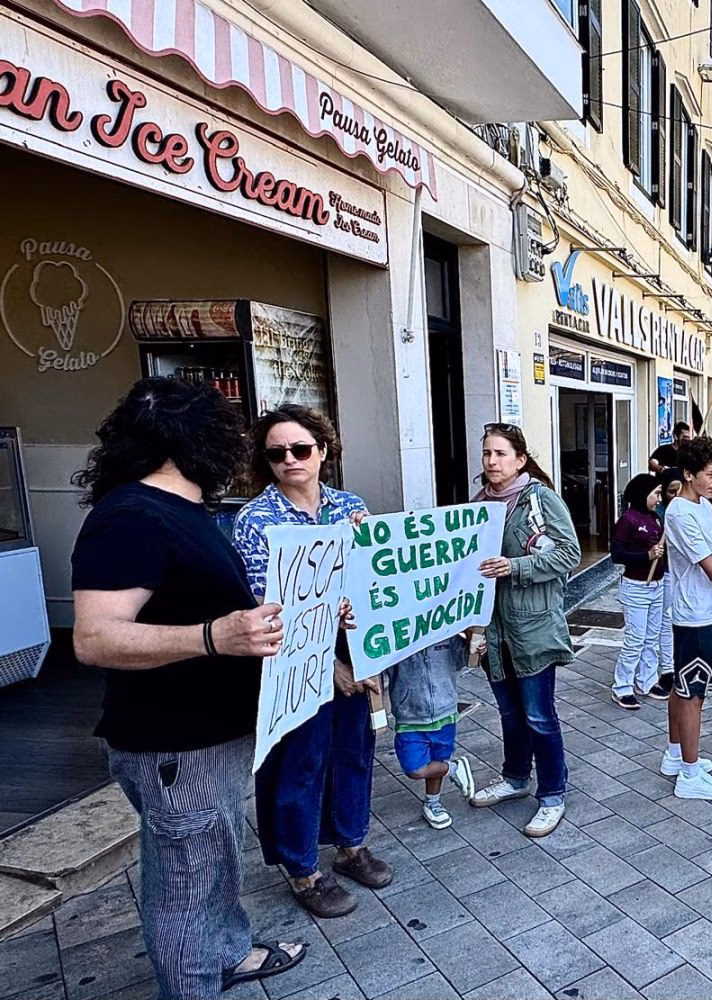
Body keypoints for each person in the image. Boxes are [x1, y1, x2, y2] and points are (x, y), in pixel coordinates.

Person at [70, 378, 306, 998]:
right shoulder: (129, 518)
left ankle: (226, 952)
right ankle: (194, 982)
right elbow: (94, 639)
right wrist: (214, 636)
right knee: (186, 883)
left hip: (207, 738)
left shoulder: (182, 512)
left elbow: (200, 605)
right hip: (175, 745)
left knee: (214, 863)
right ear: (202, 440)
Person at [231, 404, 391, 918]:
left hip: (353, 649)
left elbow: (378, 587)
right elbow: (267, 606)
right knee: (301, 762)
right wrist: (327, 667)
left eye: (300, 449)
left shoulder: (351, 507)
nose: (290, 460)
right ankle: (303, 870)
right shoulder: (255, 520)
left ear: (323, 451)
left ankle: (349, 845)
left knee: (354, 750)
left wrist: (370, 657)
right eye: (276, 453)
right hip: (292, 661)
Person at [466, 424, 581, 838]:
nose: (491, 461)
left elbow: (570, 554)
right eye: (486, 454)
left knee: (538, 715)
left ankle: (552, 793)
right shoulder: (480, 503)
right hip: (495, 632)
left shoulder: (540, 499)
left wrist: (515, 567)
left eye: (500, 453)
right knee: (510, 714)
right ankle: (515, 778)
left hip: (533, 627)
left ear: (520, 459)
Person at [663, 438, 712, 799]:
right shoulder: (679, 512)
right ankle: (690, 775)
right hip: (694, 616)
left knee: (683, 686)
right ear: (688, 474)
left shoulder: (703, 506)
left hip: (705, 611)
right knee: (693, 692)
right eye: (710, 474)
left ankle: (676, 755)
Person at [387, 637, 476, 829]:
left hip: (445, 710)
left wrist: (474, 645)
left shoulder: (446, 630)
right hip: (410, 715)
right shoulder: (395, 633)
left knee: (438, 758)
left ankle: (433, 802)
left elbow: (462, 659)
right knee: (414, 768)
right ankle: (454, 768)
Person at [610, 474, 671, 708]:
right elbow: (617, 555)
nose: (658, 498)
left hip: (656, 585)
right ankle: (622, 687)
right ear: (641, 494)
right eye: (655, 493)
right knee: (635, 639)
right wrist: (646, 556)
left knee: (651, 637)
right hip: (636, 587)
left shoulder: (656, 518)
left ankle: (646, 681)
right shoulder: (628, 520)